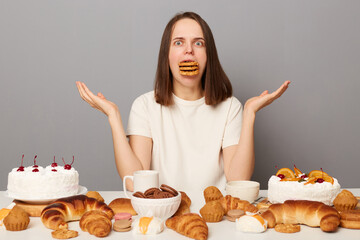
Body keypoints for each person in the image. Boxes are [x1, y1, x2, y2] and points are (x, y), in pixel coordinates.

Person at [76, 12, 290, 192]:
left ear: (209, 56)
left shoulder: (230, 107)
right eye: (179, 43)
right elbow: (135, 184)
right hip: (162, 219)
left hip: (217, 220)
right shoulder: (144, 106)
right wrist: (113, 117)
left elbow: (238, 181)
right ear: (166, 55)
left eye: (199, 43)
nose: (189, 50)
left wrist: (250, 114)